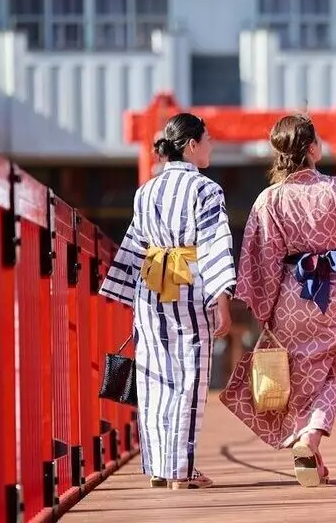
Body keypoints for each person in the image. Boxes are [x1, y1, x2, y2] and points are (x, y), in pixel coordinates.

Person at [220, 113, 336, 487]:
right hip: (333, 291)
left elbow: (262, 259)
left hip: (290, 294)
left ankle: (305, 444)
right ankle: (311, 439)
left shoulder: (268, 199)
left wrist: (266, 310)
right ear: (311, 149)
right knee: (332, 369)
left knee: (293, 372)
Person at [100, 113, 236, 490]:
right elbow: (214, 246)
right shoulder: (206, 190)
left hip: (151, 288)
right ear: (191, 144)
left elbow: (134, 244)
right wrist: (222, 298)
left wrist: (122, 293)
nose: (212, 145)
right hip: (190, 286)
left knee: (155, 377)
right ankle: (182, 470)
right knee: (190, 379)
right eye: (207, 139)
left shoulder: (146, 190)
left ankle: (160, 467)